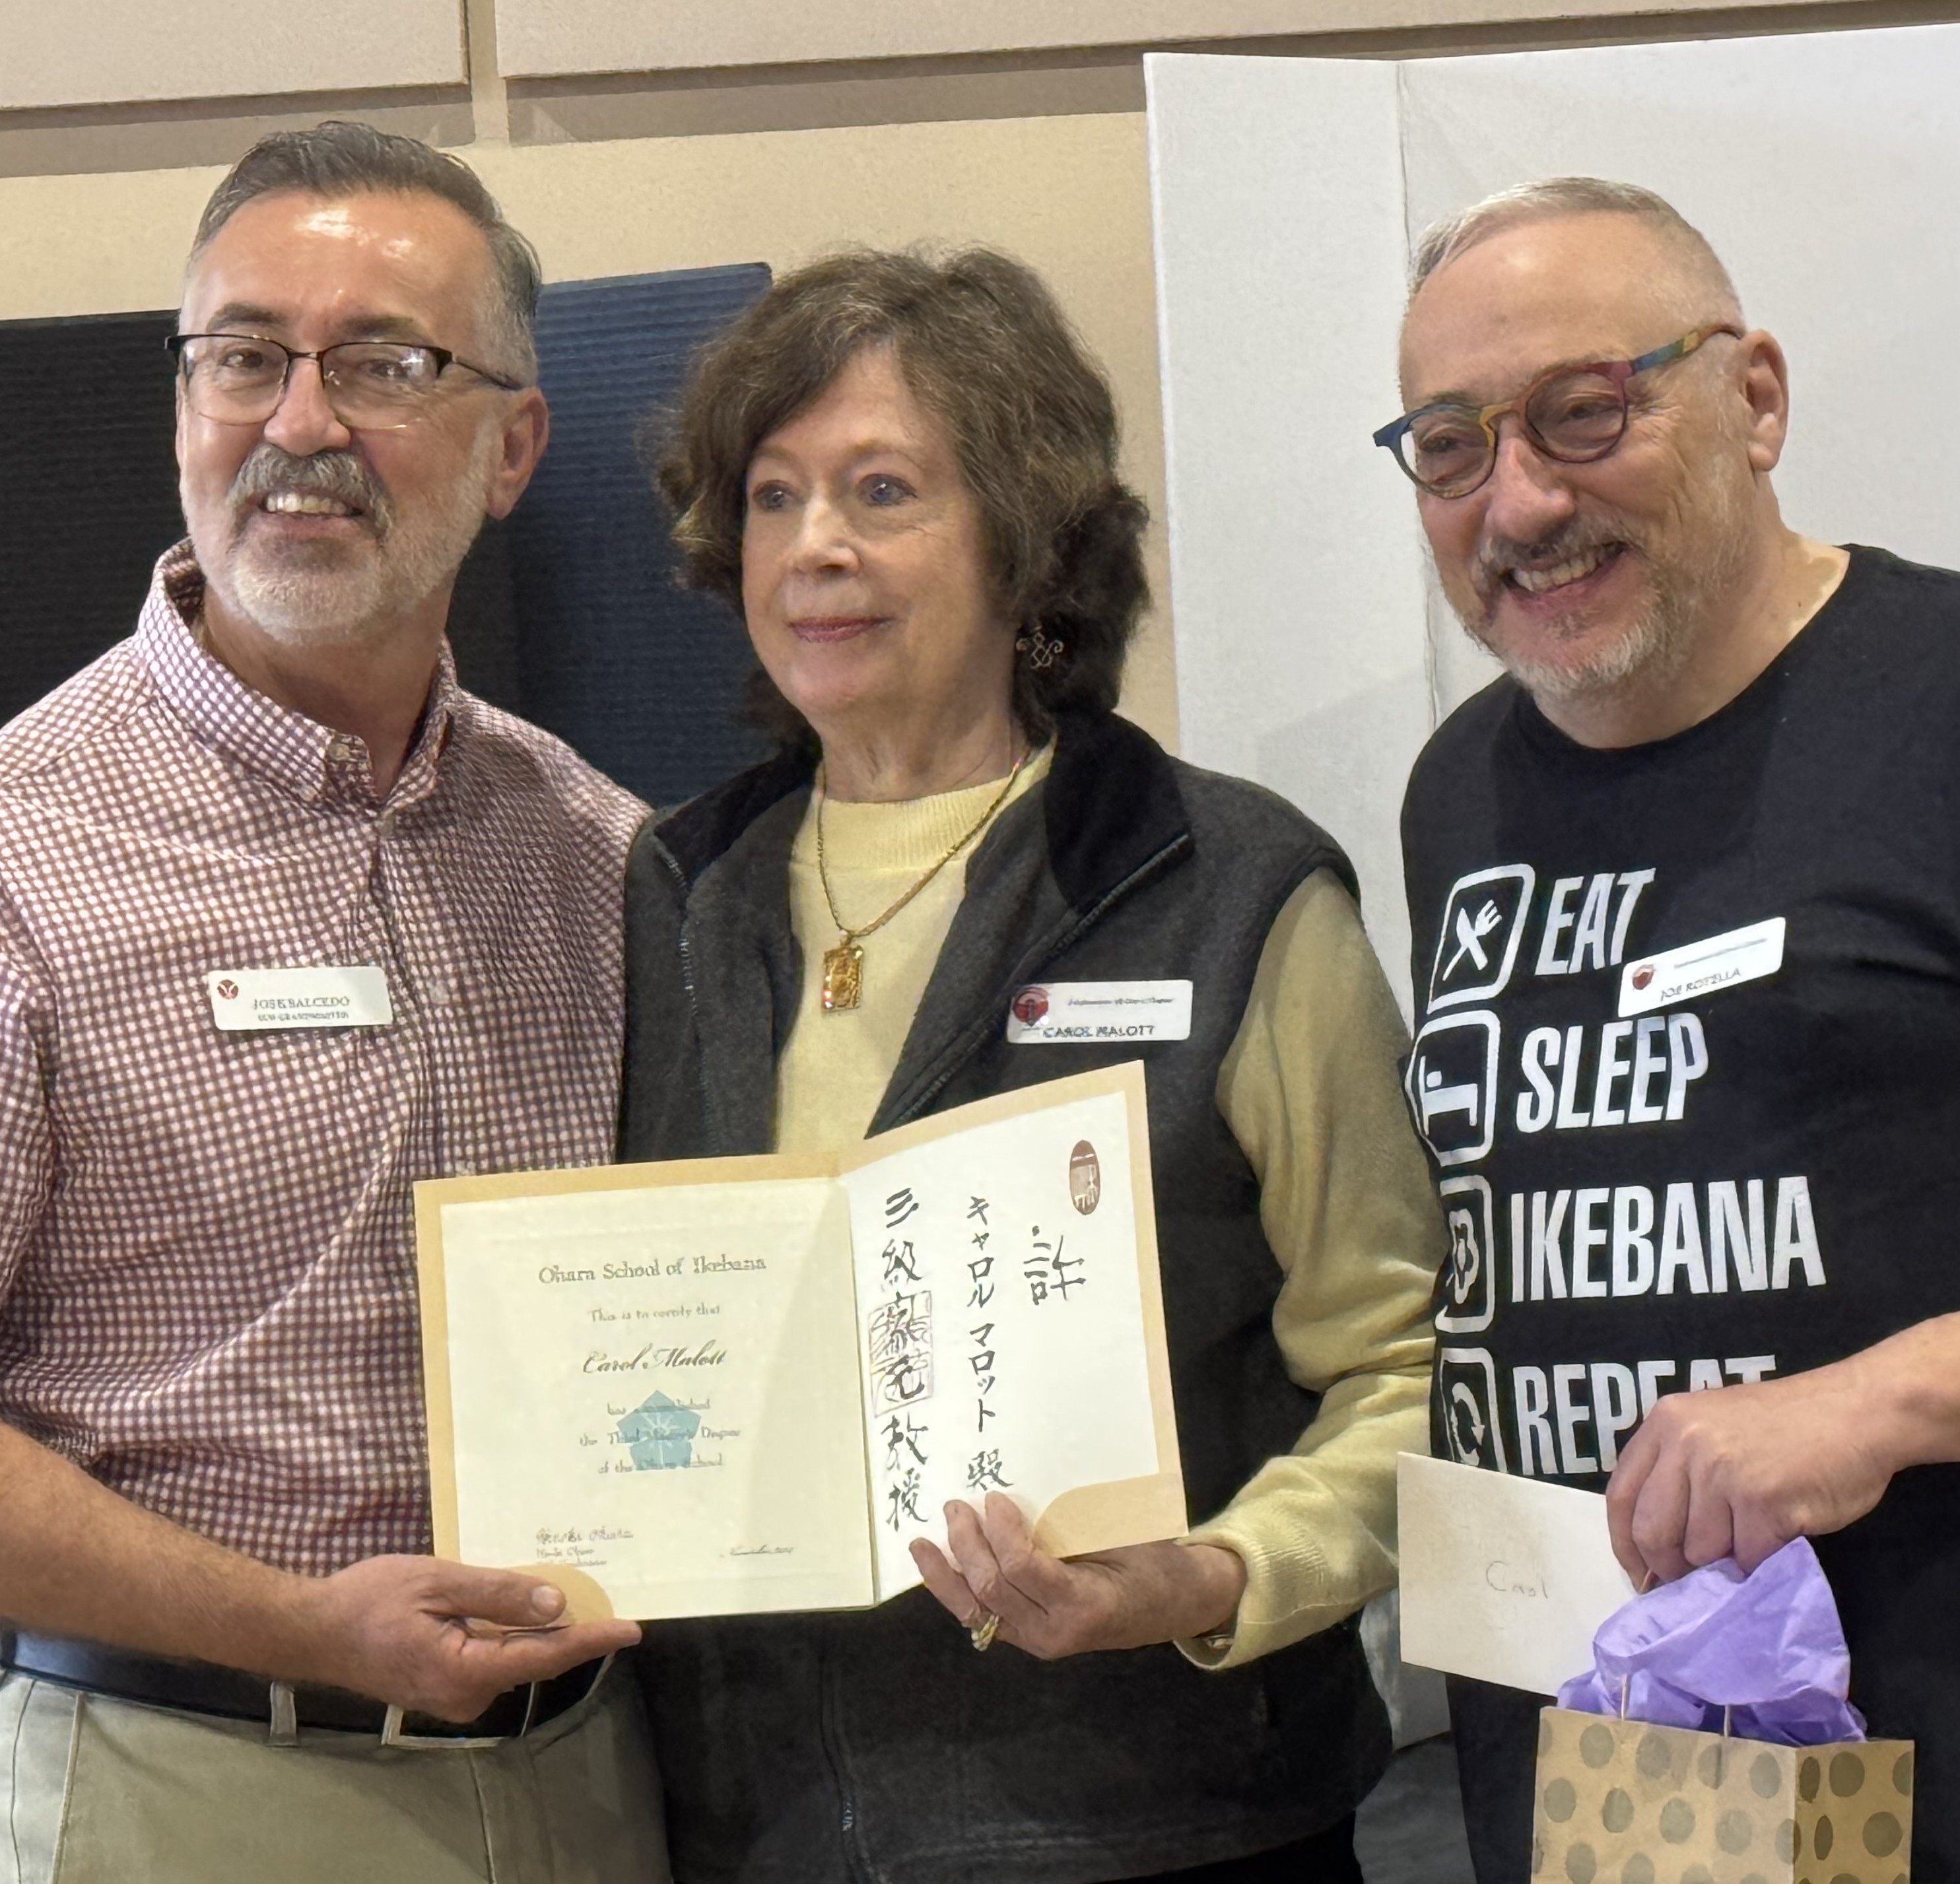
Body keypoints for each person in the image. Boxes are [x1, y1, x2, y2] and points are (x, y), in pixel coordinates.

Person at [0, 122, 666, 1882]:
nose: (302, 422)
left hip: (591, 1780)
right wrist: (303, 1620)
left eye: (385, 364)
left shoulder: (597, 850)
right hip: (178, 1787)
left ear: (514, 446)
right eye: (245, 356)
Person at [621, 246, 1442, 1884]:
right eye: (772, 497)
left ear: (1024, 537)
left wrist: (1212, 1575)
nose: (814, 549)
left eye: (879, 489)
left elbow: (1407, 1367)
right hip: (759, 1833)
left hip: (1162, 1824)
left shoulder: (1229, 889)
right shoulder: (671, 890)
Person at [1384, 174, 1960, 1880]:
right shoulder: (1463, 792)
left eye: (1584, 412)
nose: (1518, 499)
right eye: (1449, 446)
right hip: (1614, 1801)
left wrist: (1873, 1402)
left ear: (1755, 397)